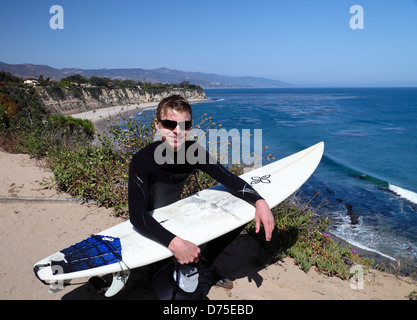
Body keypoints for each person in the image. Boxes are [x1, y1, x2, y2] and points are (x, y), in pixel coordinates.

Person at [128, 95, 274, 288]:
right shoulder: (142, 161)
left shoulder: (192, 152)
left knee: (242, 205)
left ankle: (207, 266)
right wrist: (175, 244)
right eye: (169, 124)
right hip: (150, 226)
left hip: (177, 217)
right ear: (157, 124)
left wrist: (260, 202)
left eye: (184, 125)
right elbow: (137, 216)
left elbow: (228, 178)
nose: (177, 131)